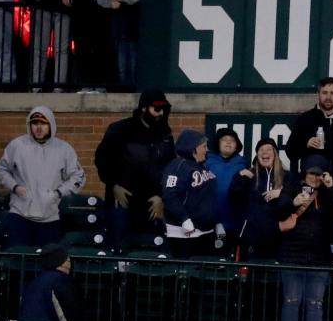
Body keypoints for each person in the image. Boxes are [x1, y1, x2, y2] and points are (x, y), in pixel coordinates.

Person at [275, 154, 333, 321]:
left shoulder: (326, 193)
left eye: (319, 174)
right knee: (291, 302)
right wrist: (293, 203)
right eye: (312, 173)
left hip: (319, 257)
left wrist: (330, 187)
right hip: (292, 255)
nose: (315, 177)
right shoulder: (291, 188)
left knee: (315, 305)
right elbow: (278, 212)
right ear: (305, 173)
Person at [95, 90, 175, 249]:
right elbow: (102, 159)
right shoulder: (120, 129)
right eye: (157, 109)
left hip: (152, 205)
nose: (160, 113)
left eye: (164, 109)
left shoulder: (165, 135)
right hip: (122, 201)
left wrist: (161, 196)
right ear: (144, 108)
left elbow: (170, 168)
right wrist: (114, 185)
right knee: (118, 247)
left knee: (150, 250)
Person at [0, 106, 86, 247]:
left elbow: (78, 176)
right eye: (34, 123)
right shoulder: (17, 145)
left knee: (46, 262)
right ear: (29, 125)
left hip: (50, 217)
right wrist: (15, 187)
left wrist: (58, 193)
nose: (38, 127)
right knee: (18, 260)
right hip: (19, 214)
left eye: (43, 123)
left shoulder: (63, 149)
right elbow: (1, 170)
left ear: (51, 125)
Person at [285, 76, 333, 193]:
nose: (328, 97)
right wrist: (306, 143)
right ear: (318, 94)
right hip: (312, 185)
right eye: (324, 93)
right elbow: (290, 151)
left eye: (332, 93)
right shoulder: (306, 119)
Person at [161, 130, 221, 258]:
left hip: (205, 231)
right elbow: (169, 195)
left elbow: (208, 198)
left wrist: (216, 221)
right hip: (184, 233)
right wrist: (184, 218)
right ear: (193, 148)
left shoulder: (202, 167)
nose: (207, 150)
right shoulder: (177, 166)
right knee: (186, 273)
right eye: (204, 146)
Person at [228, 137, 289, 259]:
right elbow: (233, 198)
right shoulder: (249, 175)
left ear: (275, 154)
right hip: (250, 237)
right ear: (257, 154)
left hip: (277, 238)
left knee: (271, 276)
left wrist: (281, 194)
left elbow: (294, 202)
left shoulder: (286, 177)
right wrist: (239, 177)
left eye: (269, 149)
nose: (265, 152)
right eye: (261, 150)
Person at [93, 0, 141, 89]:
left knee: (134, 65)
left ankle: (133, 90)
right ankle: (122, 89)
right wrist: (111, 1)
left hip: (135, 32)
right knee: (121, 66)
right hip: (119, 32)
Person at [206, 128, 247, 239]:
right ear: (217, 143)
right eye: (224, 139)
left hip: (235, 222)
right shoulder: (206, 162)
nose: (228, 142)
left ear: (236, 146)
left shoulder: (243, 164)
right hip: (209, 222)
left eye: (232, 140)